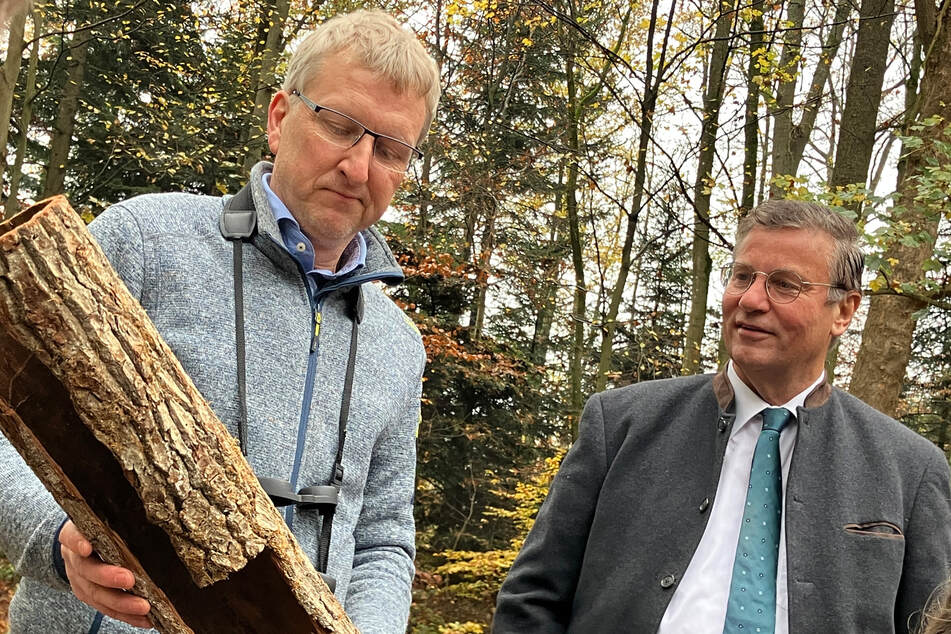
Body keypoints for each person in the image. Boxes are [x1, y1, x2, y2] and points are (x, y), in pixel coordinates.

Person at [0, 9, 439, 633]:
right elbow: (6, 422)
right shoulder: (146, 241)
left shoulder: (397, 345)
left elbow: (382, 539)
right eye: (340, 127)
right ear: (280, 118)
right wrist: (55, 541)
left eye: (391, 149)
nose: (360, 167)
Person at [493, 199, 951, 633]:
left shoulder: (909, 469)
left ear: (845, 310)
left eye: (784, 284)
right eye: (742, 276)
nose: (751, 300)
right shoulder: (622, 424)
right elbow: (532, 598)